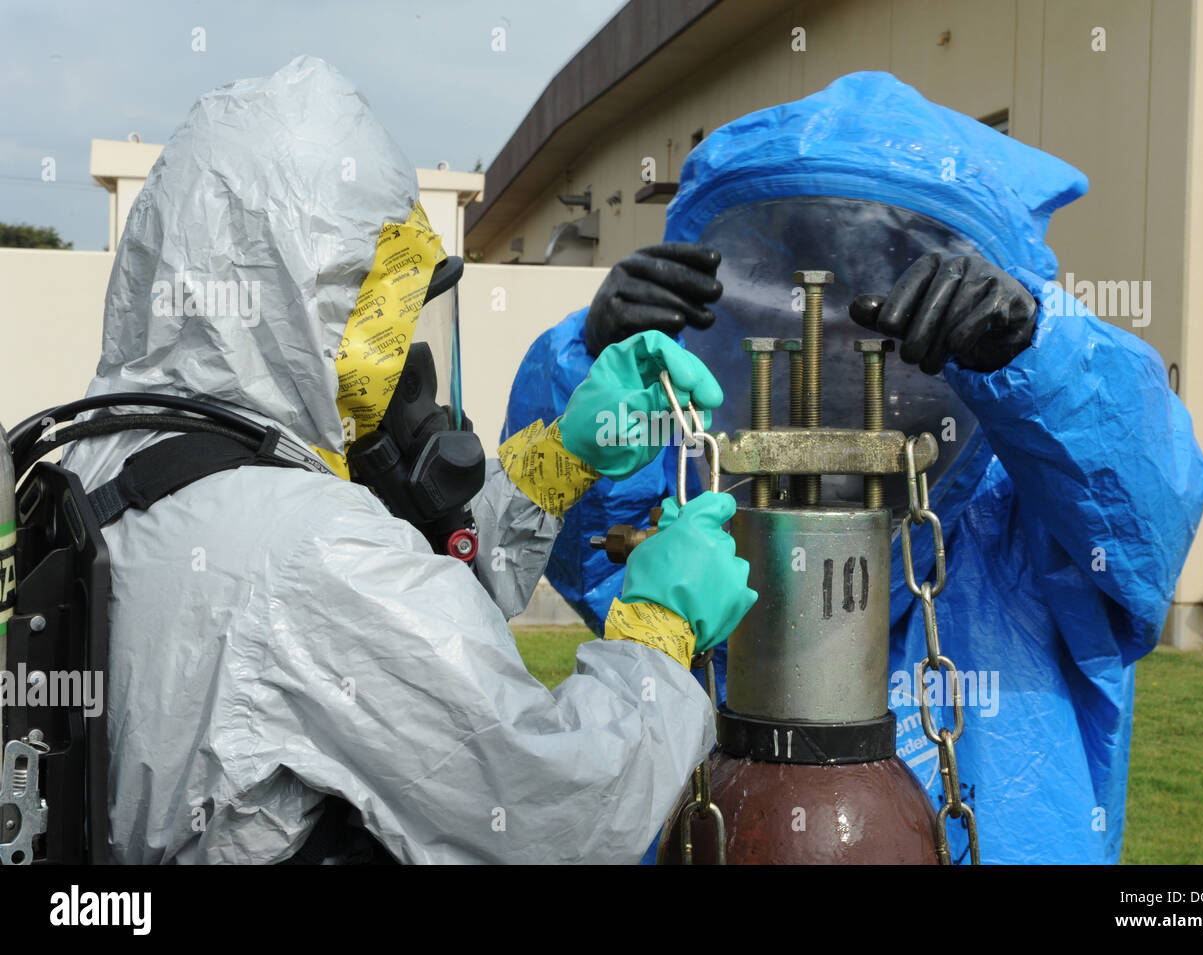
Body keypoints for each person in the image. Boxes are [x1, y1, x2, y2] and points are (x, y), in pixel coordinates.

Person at [61, 56, 756, 864]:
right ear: (318, 303)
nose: (414, 383)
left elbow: (399, 632)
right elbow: (562, 809)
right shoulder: (306, 548)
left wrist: (558, 459)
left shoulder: (105, 462)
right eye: (394, 319)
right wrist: (660, 629)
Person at [505, 71, 1203, 864]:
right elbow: (576, 545)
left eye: (869, 303)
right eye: (799, 295)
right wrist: (584, 370)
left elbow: (1146, 506)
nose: (835, 340)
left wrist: (1041, 354)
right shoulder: (703, 514)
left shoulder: (1024, 509)